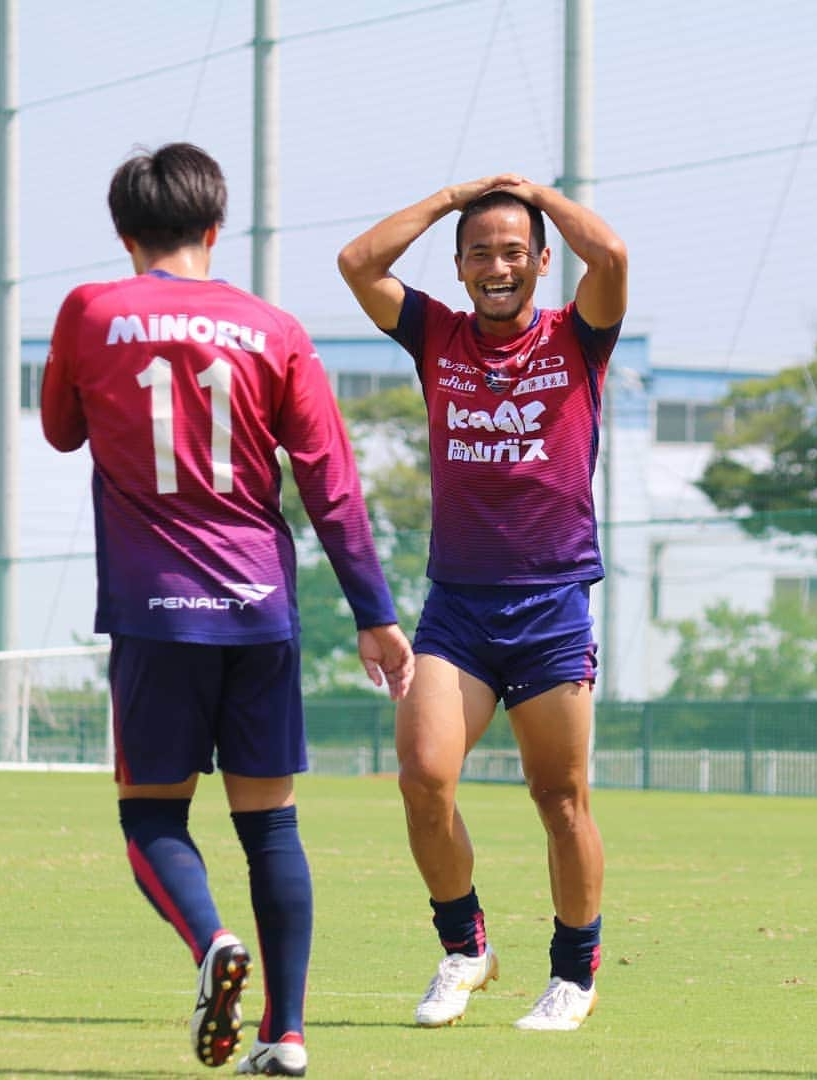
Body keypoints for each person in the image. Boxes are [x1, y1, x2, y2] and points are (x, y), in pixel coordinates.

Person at [41, 142, 414, 1075]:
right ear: (217, 227)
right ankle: (286, 1036)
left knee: (153, 821)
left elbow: (58, 431)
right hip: (259, 610)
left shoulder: (90, 310)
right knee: (272, 826)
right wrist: (374, 610)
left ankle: (211, 943)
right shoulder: (275, 328)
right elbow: (329, 482)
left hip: (154, 612)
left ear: (124, 234)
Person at [337, 175, 627, 1031]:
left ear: (541, 260)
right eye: (480, 253)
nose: (497, 267)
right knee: (424, 778)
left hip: (551, 604)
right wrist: (452, 196)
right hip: (458, 608)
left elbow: (609, 254)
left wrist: (537, 192)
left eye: (513, 252)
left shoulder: (580, 335)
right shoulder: (437, 335)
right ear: (460, 267)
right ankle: (466, 948)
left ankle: (573, 975)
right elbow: (358, 262)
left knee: (559, 798)